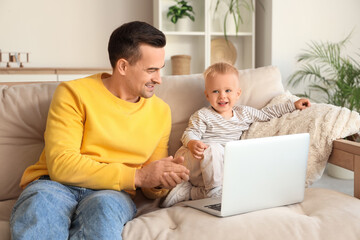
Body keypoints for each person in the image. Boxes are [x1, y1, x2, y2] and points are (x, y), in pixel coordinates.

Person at [10, 21, 189, 240]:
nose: (159, 79)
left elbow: (149, 183)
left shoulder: (161, 112)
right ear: (122, 66)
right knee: (41, 206)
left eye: (160, 69)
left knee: (104, 210)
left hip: (112, 194)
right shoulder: (73, 93)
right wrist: (137, 175)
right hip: (54, 185)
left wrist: (160, 180)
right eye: (151, 70)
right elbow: (62, 165)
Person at [161, 62, 311, 207]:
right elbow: (190, 133)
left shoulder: (244, 113)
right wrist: (192, 143)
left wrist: (292, 105)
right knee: (214, 148)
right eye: (215, 91)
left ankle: (191, 193)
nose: (222, 96)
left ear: (238, 93)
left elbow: (266, 114)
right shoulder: (203, 115)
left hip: (218, 173)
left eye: (228, 91)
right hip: (195, 161)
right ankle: (214, 193)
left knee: (238, 170)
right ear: (207, 95)